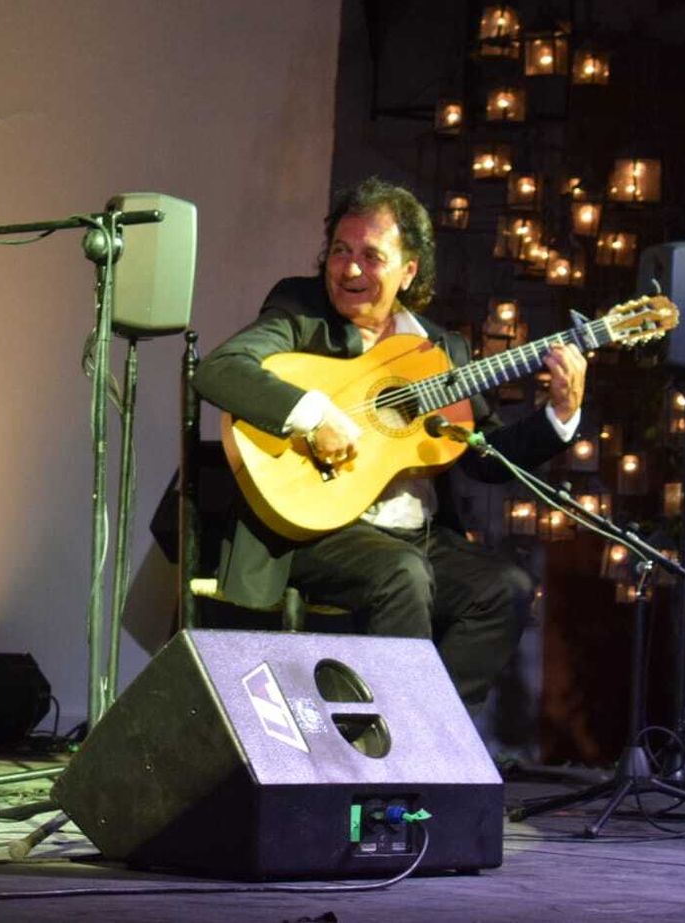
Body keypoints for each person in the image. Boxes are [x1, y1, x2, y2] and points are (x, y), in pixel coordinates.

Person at [191, 177, 586, 707]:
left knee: (506, 589)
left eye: (371, 256)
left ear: (409, 270)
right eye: (340, 251)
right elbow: (221, 369)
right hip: (319, 529)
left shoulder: (439, 349)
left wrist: (560, 415)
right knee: (403, 575)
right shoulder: (300, 310)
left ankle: (430, 727)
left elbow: (486, 458)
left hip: (417, 536)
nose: (350, 269)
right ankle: (410, 754)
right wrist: (312, 415)